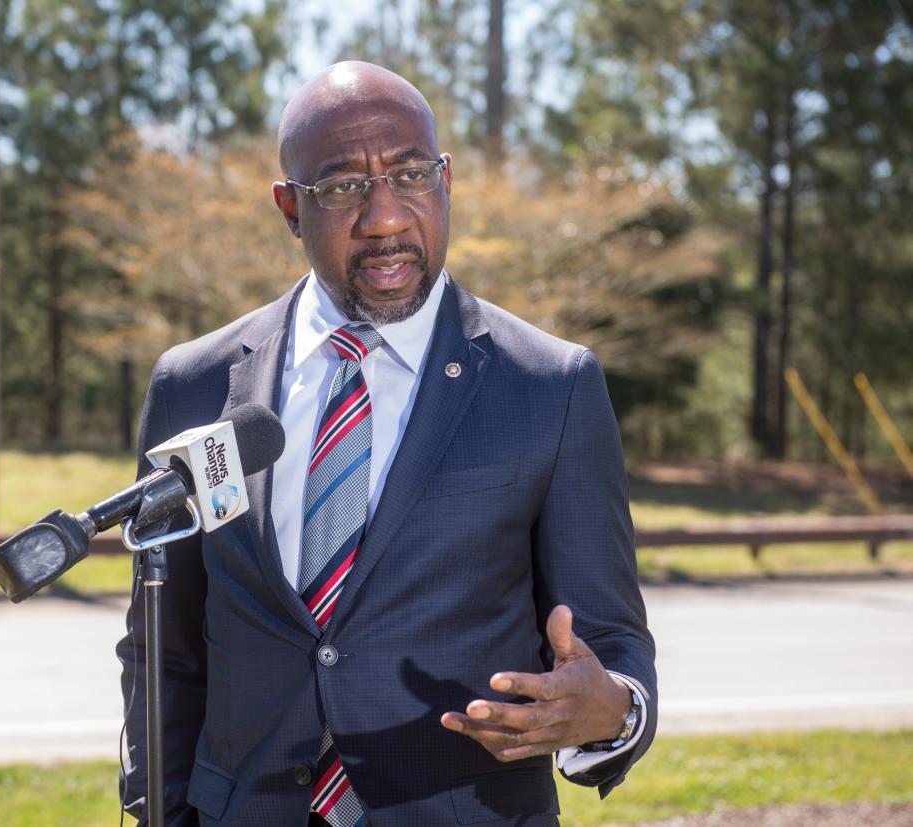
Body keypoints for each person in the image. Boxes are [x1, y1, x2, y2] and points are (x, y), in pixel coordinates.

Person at [118, 61, 656, 827]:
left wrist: (614, 712)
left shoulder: (550, 386)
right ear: (289, 209)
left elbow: (608, 641)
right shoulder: (194, 385)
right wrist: (157, 812)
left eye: (409, 175)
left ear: (445, 182)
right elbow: (161, 650)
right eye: (341, 188)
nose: (385, 218)